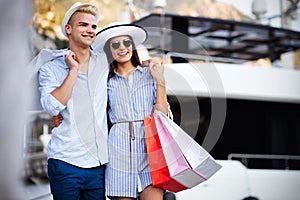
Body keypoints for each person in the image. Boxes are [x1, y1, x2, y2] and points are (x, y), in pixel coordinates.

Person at [38, 2, 108, 199]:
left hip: (98, 165)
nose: (90, 30)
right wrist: (73, 71)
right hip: (65, 162)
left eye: (93, 26)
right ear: (68, 29)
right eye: (83, 25)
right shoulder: (50, 68)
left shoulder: (104, 63)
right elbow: (52, 107)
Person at [92, 23, 169, 200]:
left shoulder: (149, 74)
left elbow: (163, 115)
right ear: (109, 50)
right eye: (115, 44)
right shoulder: (105, 81)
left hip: (150, 150)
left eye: (126, 43)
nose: (122, 48)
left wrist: (161, 81)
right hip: (118, 151)